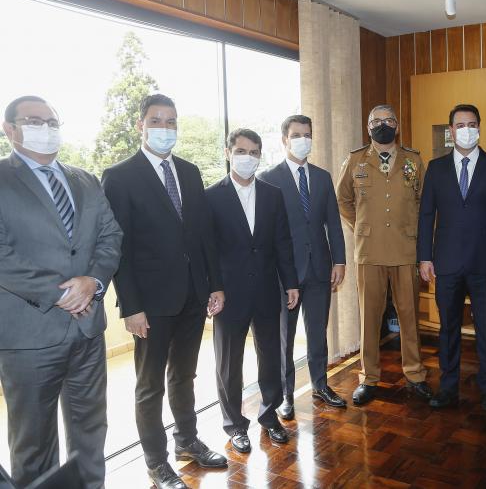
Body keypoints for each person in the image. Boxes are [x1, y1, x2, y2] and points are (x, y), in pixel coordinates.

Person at [102, 94, 227, 489]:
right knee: (150, 385)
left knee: (185, 375)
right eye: (156, 121)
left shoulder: (189, 172)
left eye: (171, 121)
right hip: (151, 304)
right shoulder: (120, 176)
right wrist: (131, 307)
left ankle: (187, 441)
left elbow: (204, 235)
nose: (165, 128)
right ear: (140, 125)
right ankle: (156, 462)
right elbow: (119, 248)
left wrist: (214, 284)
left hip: (193, 296)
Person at [0, 96, 122, 488]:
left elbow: (111, 236)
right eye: (34, 121)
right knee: (34, 445)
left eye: (52, 122)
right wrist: (59, 293)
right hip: (29, 339)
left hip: (87, 332)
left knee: (91, 433)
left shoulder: (85, 180)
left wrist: (93, 282)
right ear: (10, 129)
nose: (47, 128)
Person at [417, 103, 486, 412]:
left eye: (471, 124)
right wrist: (424, 257)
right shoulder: (436, 168)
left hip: (485, 263)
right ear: (451, 131)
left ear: (479, 128)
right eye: (460, 125)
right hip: (446, 264)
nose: (466, 130)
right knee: (448, 329)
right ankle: (448, 387)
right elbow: (426, 215)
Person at [207, 128, 299, 448]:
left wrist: (291, 283)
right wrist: (212, 288)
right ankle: (234, 425)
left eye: (254, 152)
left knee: (270, 357)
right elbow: (207, 249)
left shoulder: (273, 195)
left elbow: (283, 242)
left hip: (266, 290)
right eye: (241, 151)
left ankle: (269, 416)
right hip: (227, 295)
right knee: (228, 363)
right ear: (228, 153)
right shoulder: (211, 196)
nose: (248, 158)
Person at [336, 104, 432, 406]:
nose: (383, 125)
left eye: (389, 120)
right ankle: (369, 378)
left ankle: (415, 375)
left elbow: (424, 201)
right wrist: (361, 227)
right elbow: (343, 199)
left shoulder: (413, 160)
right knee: (370, 317)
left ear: (397, 126)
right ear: (368, 128)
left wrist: (415, 232)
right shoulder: (355, 160)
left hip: (406, 249)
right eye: (376, 121)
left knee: (409, 316)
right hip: (370, 251)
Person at [259, 115, 347, 419]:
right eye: (296, 135)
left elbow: (333, 222)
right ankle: (286, 395)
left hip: (320, 269)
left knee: (317, 332)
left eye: (307, 134)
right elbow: (266, 231)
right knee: (285, 337)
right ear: (284, 139)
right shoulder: (268, 178)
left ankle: (321, 385)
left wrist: (339, 260)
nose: (303, 140)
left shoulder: (322, 177)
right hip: (285, 274)